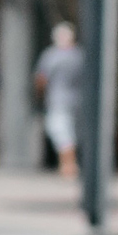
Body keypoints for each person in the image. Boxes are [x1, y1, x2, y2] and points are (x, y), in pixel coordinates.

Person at [34, 21, 84, 178]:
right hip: (78, 100)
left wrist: (40, 95)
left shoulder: (51, 55)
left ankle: (68, 165)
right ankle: (70, 163)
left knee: (60, 132)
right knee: (72, 133)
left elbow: (41, 79)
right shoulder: (80, 55)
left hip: (58, 100)